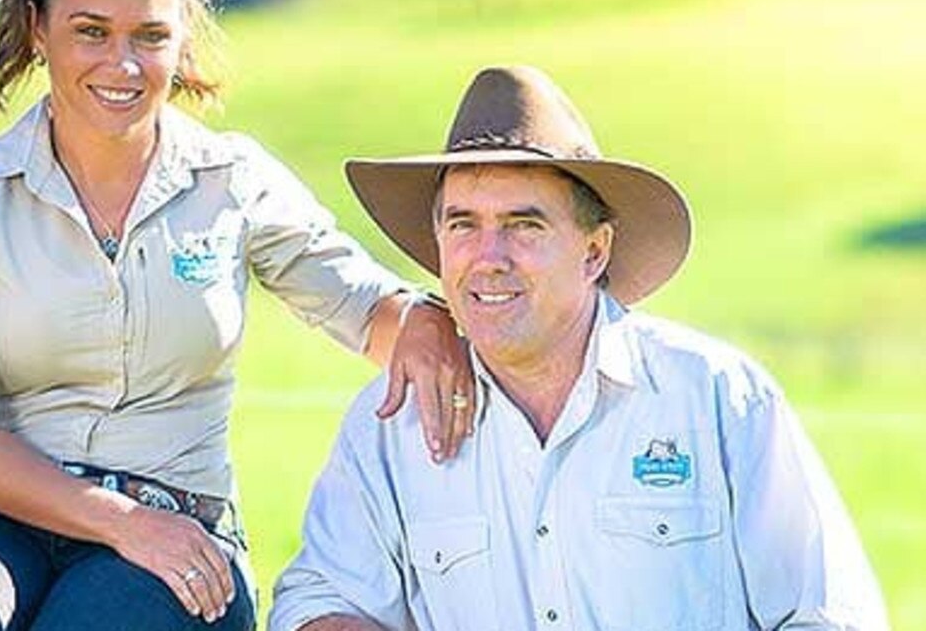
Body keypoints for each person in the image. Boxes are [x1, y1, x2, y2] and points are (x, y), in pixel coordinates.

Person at [0, 0, 475, 629]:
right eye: (91, 31)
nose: (123, 63)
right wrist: (116, 520)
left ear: (182, 37)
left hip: (182, 531)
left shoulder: (234, 179)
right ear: (38, 28)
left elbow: (367, 306)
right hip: (8, 522)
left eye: (151, 35)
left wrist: (429, 323)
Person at [269, 66, 889, 631]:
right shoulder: (389, 424)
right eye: (463, 225)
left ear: (595, 252)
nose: (488, 258)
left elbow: (831, 615)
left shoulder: (716, 396)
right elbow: (319, 598)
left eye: (523, 225)